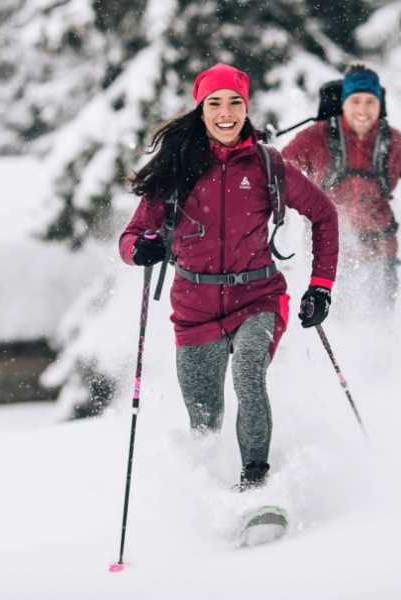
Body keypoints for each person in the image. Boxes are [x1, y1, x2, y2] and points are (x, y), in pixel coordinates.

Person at [118, 63, 339, 490]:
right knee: (205, 419)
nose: (225, 112)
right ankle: (211, 496)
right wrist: (139, 249)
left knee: (249, 375)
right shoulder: (177, 167)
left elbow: (324, 214)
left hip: (258, 298)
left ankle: (256, 478)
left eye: (234, 102)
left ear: (246, 107)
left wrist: (321, 287)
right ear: (200, 110)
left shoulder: (266, 166)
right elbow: (130, 236)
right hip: (194, 309)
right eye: (214, 103)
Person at [282, 64, 401, 310]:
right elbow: (277, 173)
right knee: (337, 327)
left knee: (378, 328)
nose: (363, 109)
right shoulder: (316, 138)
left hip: (381, 256)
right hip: (326, 258)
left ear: (380, 104)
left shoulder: (396, 144)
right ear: (344, 102)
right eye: (355, 101)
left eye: (370, 101)